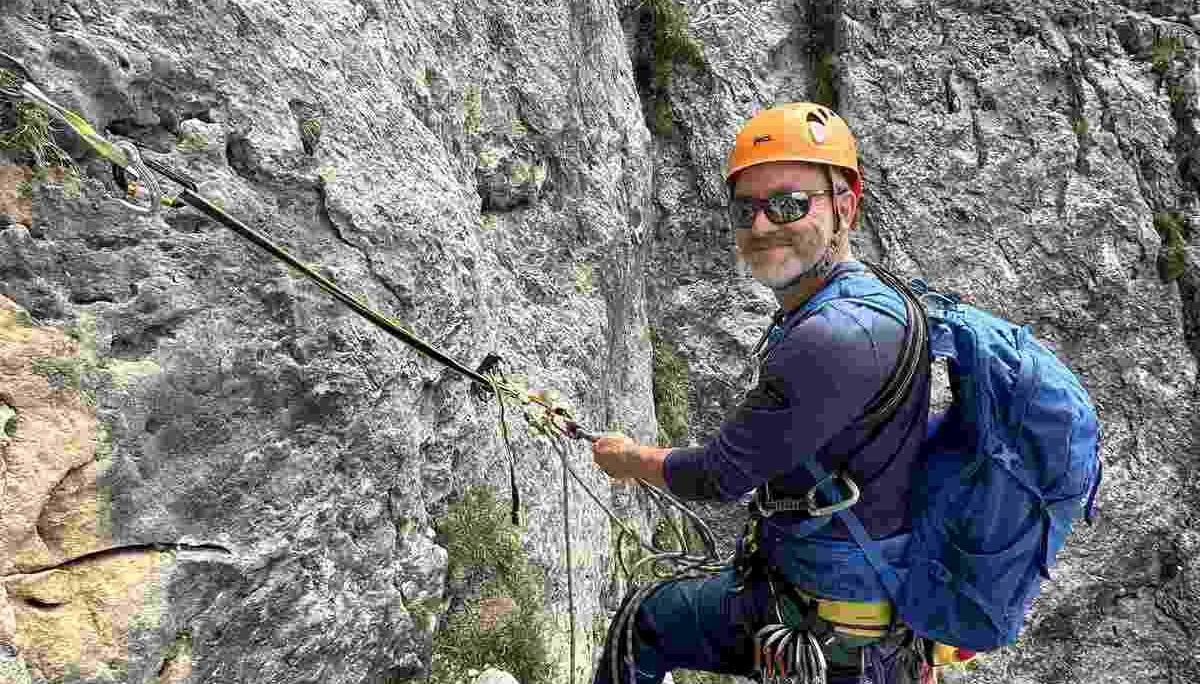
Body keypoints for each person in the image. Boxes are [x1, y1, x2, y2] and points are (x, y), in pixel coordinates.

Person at [590, 102, 933, 684]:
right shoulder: (871, 298)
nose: (761, 226)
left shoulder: (834, 336)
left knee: (642, 625)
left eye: (788, 204)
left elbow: (719, 475)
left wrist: (627, 461)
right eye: (745, 208)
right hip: (855, 613)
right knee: (649, 618)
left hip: (829, 632)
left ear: (845, 208)